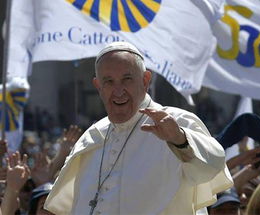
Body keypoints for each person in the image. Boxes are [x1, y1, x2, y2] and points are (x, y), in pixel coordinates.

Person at [44, 42, 233, 215]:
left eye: (127, 79)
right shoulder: (92, 137)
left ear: (145, 80)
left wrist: (180, 140)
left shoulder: (176, 122)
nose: (118, 91)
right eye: (109, 81)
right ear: (98, 86)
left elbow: (213, 167)